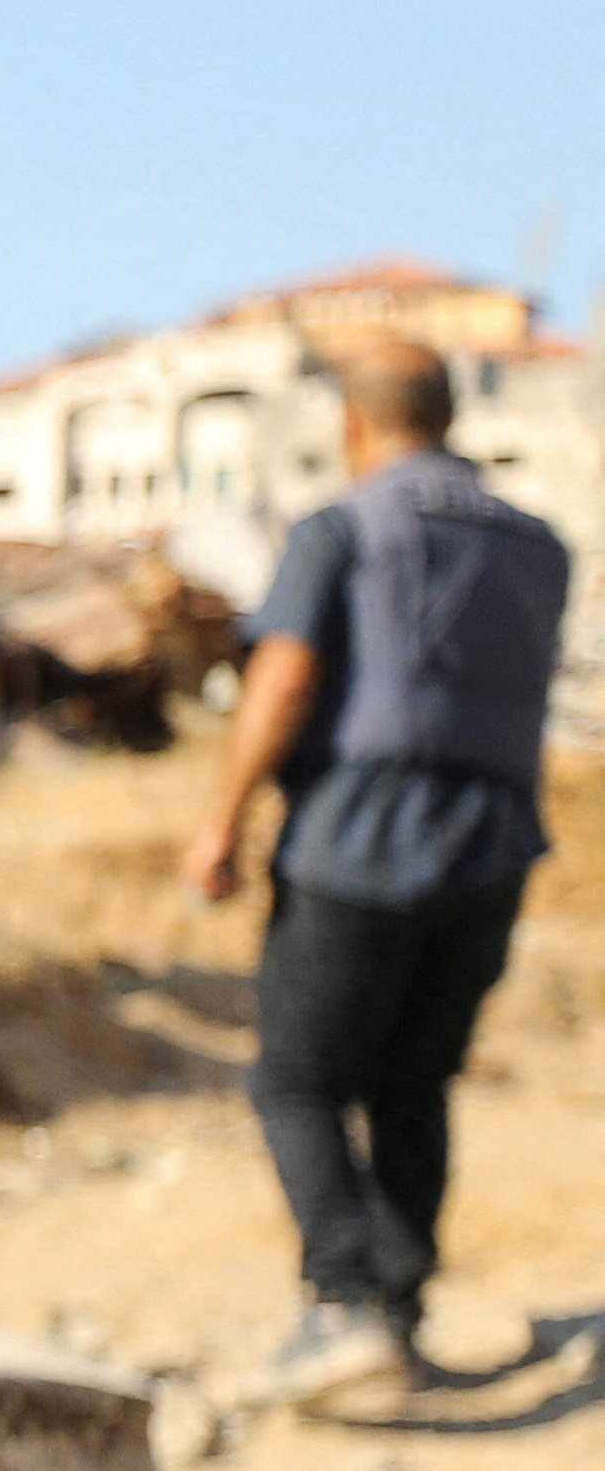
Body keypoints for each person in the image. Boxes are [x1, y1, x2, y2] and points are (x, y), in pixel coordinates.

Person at [185, 333, 569, 1413]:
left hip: (362, 833)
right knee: (413, 1081)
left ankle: (344, 1309)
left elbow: (285, 676)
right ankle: (398, 1316)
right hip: (494, 844)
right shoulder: (538, 544)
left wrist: (220, 822)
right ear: (450, 416)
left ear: (353, 426)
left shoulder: (343, 526)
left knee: (297, 1079)